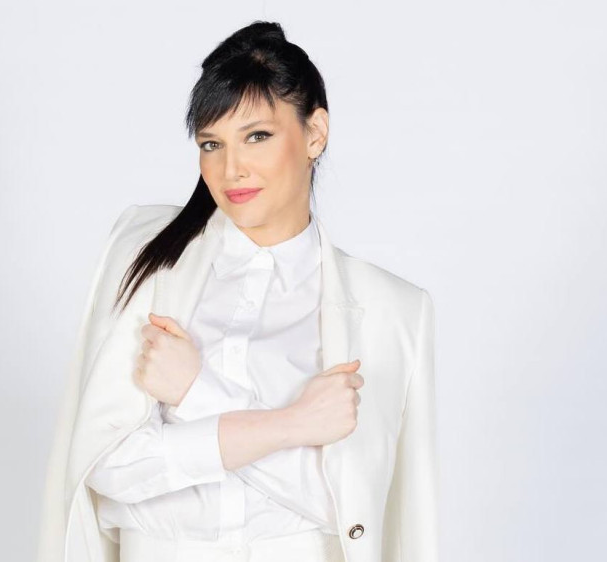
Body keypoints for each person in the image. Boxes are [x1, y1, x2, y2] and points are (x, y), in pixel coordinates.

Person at [36, 20, 438, 562]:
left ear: (315, 133)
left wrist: (195, 393)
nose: (231, 169)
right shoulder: (147, 258)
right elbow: (104, 467)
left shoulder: (391, 310)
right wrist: (293, 426)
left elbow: (354, 512)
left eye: (257, 136)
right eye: (211, 144)